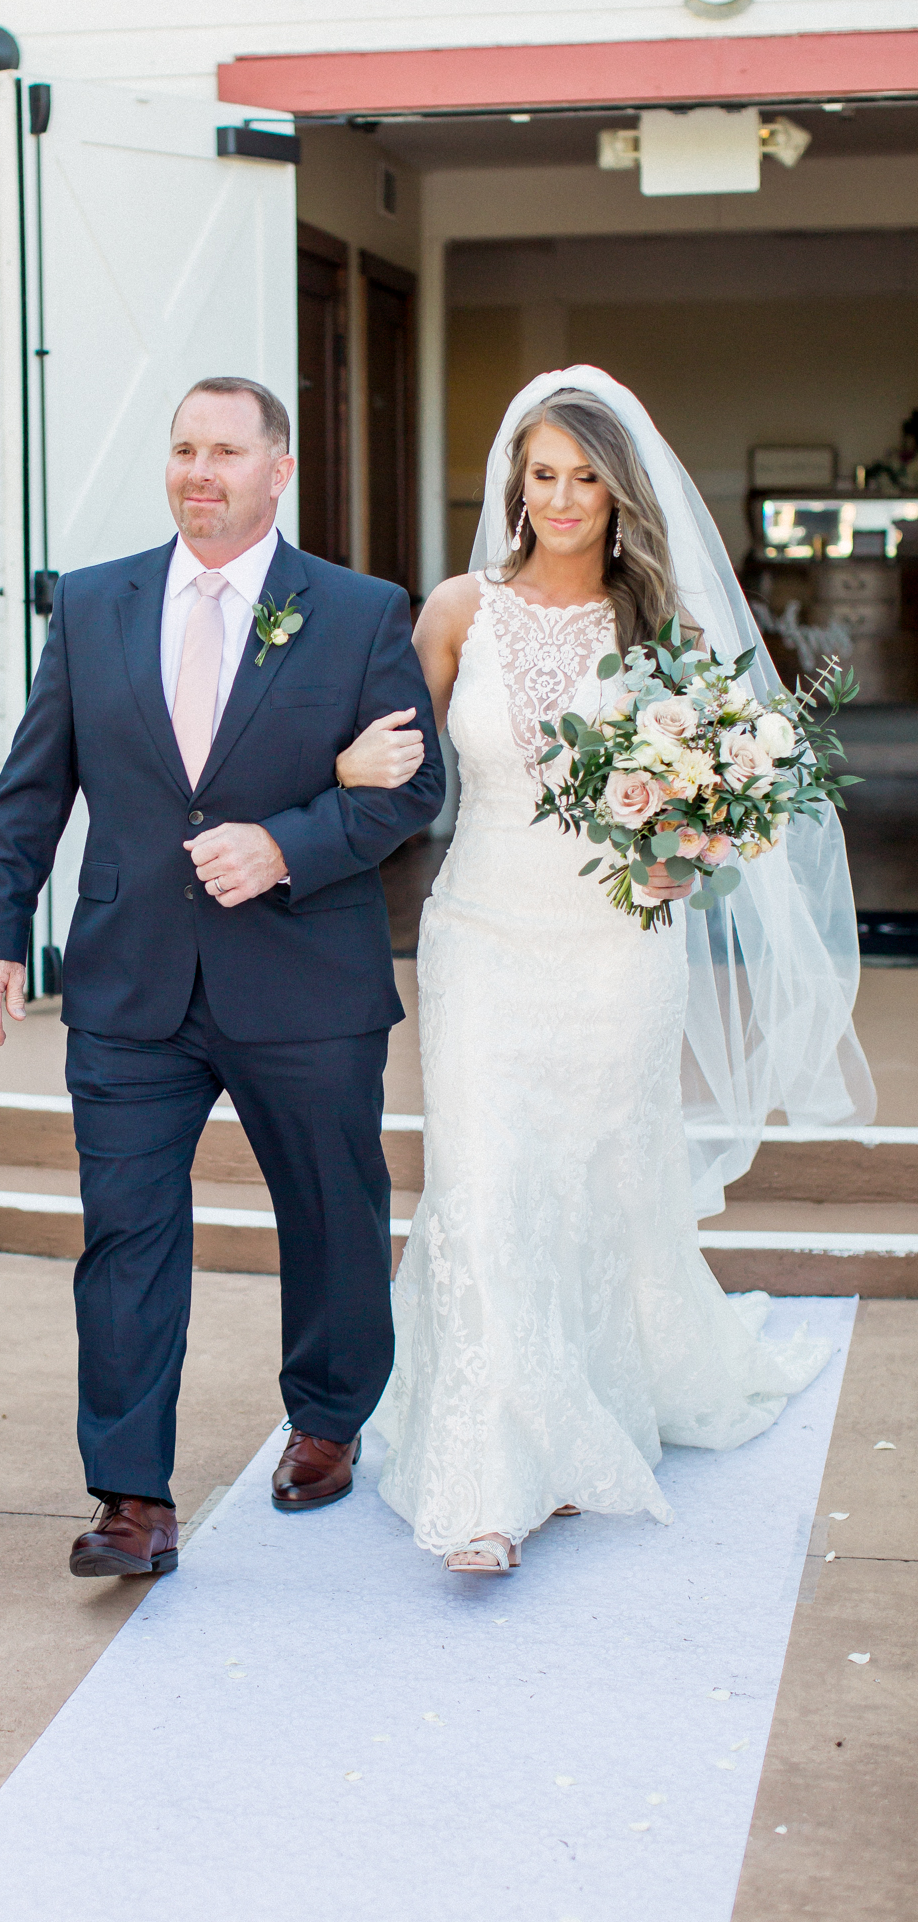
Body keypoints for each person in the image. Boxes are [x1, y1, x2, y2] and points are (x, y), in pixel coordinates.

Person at [334, 367, 874, 1573]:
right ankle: (484, 1480)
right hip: (478, 933)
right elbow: (402, 762)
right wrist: (347, 770)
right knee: (482, 1177)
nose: (564, 498)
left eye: (585, 476)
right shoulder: (457, 608)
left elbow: (735, 790)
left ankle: (578, 1412)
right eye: (543, 474)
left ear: (619, 490)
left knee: (590, 1179)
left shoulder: (663, 621)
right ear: (513, 484)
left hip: (618, 946)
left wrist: (692, 846)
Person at [0, 376, 445, 1578]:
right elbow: (34, 786)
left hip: (305, 981)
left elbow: (414, 788)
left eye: (226, 450)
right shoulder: (90, 603)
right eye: (183, 448)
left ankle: (328, 1417)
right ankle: (130, 1497)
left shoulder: (358, 610)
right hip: (130, 984)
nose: (199, 470)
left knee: (330, 1213)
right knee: (125, 1235)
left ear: (279, 468)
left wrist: (287, 841)